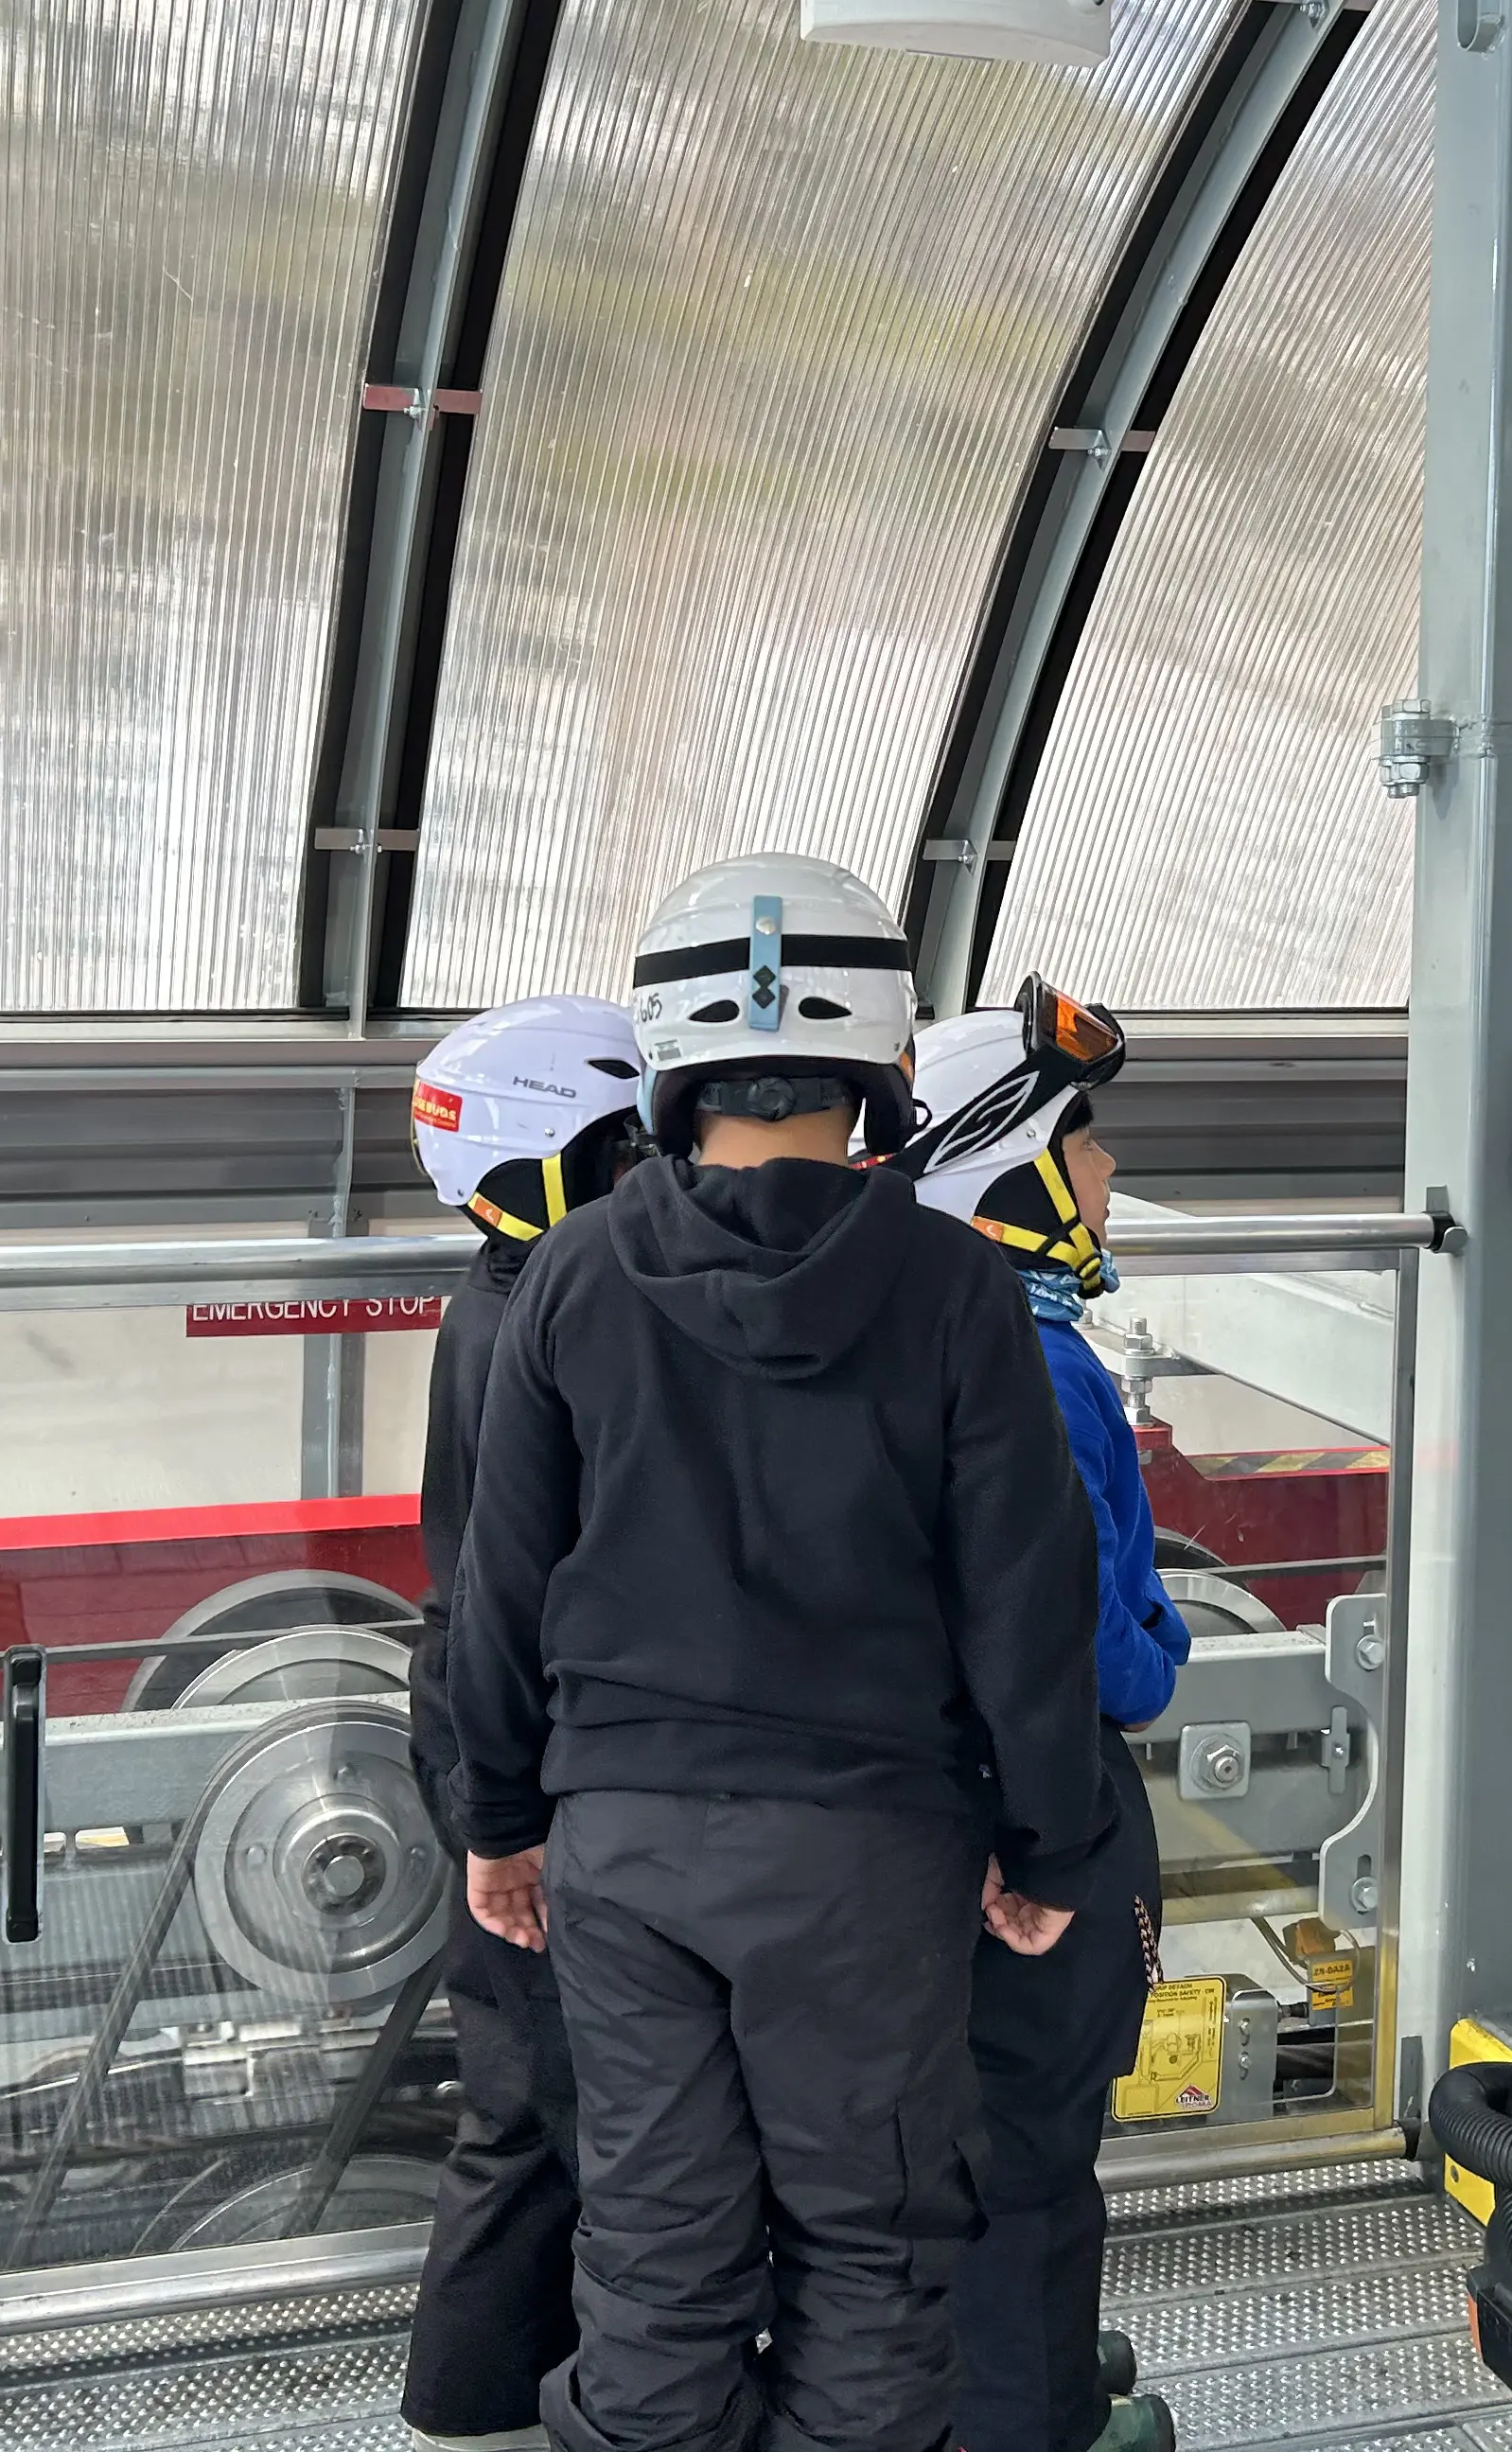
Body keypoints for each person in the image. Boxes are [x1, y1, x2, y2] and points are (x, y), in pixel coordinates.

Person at [446, 853, 1106, 2452]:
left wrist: (501, 1819)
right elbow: (1028, 1593)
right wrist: (1048, 1840)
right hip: (871, 1855)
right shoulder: (956, 1285)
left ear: (669, 1067)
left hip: (626, 1844)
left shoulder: (575, 1275)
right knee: (871, 2256)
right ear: (880, 1060)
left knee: (655, 2251)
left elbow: (500, 1577)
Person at [901, 985, 1187, 2452]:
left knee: (945, 2148)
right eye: (1083, 1141)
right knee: (1038, 2154)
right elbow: (1105, 1650)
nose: (1109, 1170)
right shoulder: (1050, 1364)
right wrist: (1170, 1644)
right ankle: (1037, 2414)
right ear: (1003, 1170)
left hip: (917, 1824)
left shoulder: (912, 1337)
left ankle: (1003, 2380)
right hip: (1051, 1812)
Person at [398, 993, 655, 2450]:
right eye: (625, 1149)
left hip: (480, 1736)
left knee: (522, 2113)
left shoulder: (496, 1299)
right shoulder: (551, 1329)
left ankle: (477, 2408)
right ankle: (551, 2408)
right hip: (531, 1764)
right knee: (576, 2117)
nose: (649, 1177)